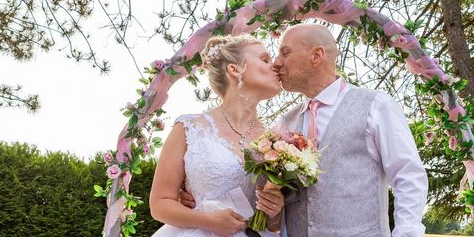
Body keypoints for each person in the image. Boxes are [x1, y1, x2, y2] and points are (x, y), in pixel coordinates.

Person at [274, 23, 428, 237]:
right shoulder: (284, 123)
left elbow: (408, 174)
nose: (276, 62)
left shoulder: (376, 105)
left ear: (317, 55)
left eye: (285, 52)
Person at [150, 35, 285, 237]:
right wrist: (209, 221)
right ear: (235, 69)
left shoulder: (277, 141)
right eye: (265, 59)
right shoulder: (188, 128)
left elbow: (274, 226)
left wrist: (274, 211)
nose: (275, 66)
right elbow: (159, 204)